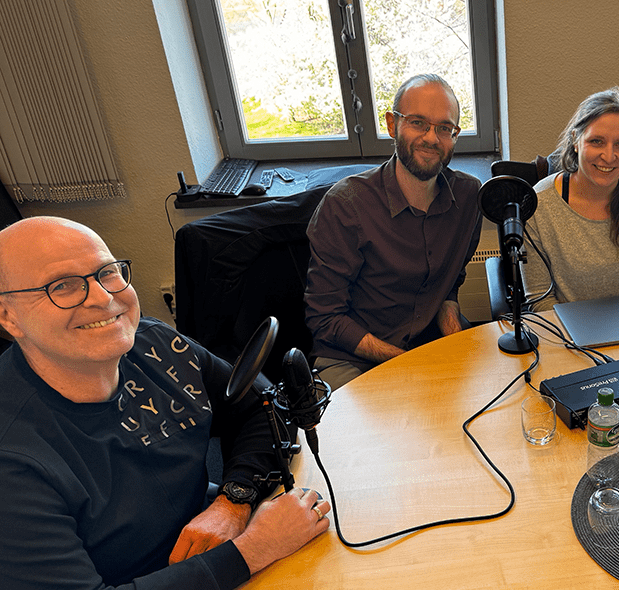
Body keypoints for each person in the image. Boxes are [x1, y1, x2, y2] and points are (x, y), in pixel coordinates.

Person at [0, 217, 329, 589]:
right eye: (62, 286)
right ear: (7, 316)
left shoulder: (154, 345)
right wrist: (253, 550)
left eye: (107, 272)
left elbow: (261, 407)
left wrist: (233, 501)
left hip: (217, 540)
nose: (103, 297)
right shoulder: (12, 458)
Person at [305, 74, 482, 388]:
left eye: (444, 128)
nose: (431, 138)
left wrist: (453, 341)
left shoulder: (468, 198)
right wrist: (409, 364)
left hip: (429, 344)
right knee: (361, 437)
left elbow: (448, 285)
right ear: (392, 125)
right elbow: (325, 318)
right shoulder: (346, 205)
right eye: (418, 123)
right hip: (352, 358)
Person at [522, 87, 619, 311]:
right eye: (597, 141)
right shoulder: (538, 204)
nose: (609, 156)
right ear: (576, 140)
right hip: (565, 334)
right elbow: (540, 299)